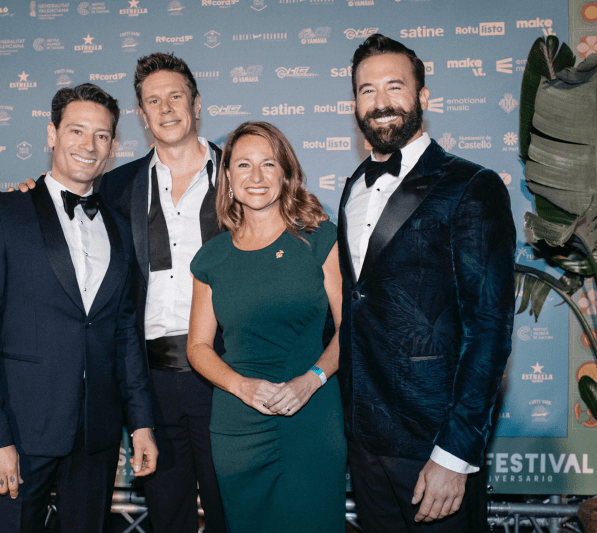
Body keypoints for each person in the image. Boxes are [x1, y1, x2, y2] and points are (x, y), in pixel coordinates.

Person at [0, 83, 158, 533]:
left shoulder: (120, 226)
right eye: (77, 131)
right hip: (20, 432)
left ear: (112, 145)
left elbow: (126, 333)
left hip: (97, 434)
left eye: (102, 135)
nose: (89, 145)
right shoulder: (3, 213)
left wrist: (141, 423)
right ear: (52, 135)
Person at [337, 33, 515, 532]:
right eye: (367, 90)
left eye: (394, 87)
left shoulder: (471, 186)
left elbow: (489, 330)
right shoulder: (352, 188)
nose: (381, 102)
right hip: (365, 442)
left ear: (423, 97)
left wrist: (455, 454)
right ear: (354, 104)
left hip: (433, 444)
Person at [187, 121, 347, 533]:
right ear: (227, 176)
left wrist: (311, 380)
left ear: (286, 173)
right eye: (243, 164)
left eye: (268, 164)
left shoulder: (318, 239)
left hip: (310, 416)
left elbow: (351, 329)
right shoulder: (211, 258)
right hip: (237, 425)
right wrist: (241, 386)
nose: (256, 176)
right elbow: (198, 347)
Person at [99, 52, 227, 533]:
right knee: (168, 517)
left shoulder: (240, 174)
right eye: (154, 101)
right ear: (141, 114)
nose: (166, 108)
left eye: (176, 96)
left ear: (197, 103)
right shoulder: (116, 187)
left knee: (232, 513)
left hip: (228, 375)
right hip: (151, 382)